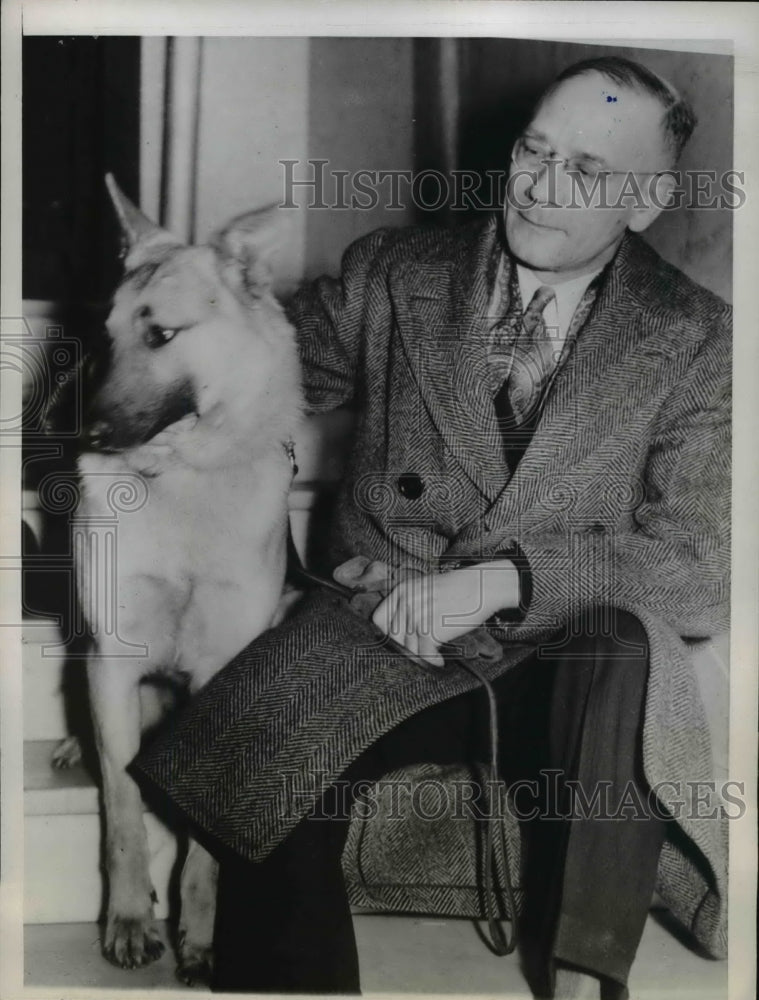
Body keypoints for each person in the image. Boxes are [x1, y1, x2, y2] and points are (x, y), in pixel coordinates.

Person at [132, 56, 731, 999]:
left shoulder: (700, 337)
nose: (537, 186)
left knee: (622, 645)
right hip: (384, 624)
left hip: (555, 664)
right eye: (533, 150)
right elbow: (262, 377)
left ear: (648, 201)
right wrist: (180, 332)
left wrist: (504, 581)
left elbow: (699, 566)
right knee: (261, 745)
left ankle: (583, 978)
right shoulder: (395, 272)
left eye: (585, 169)